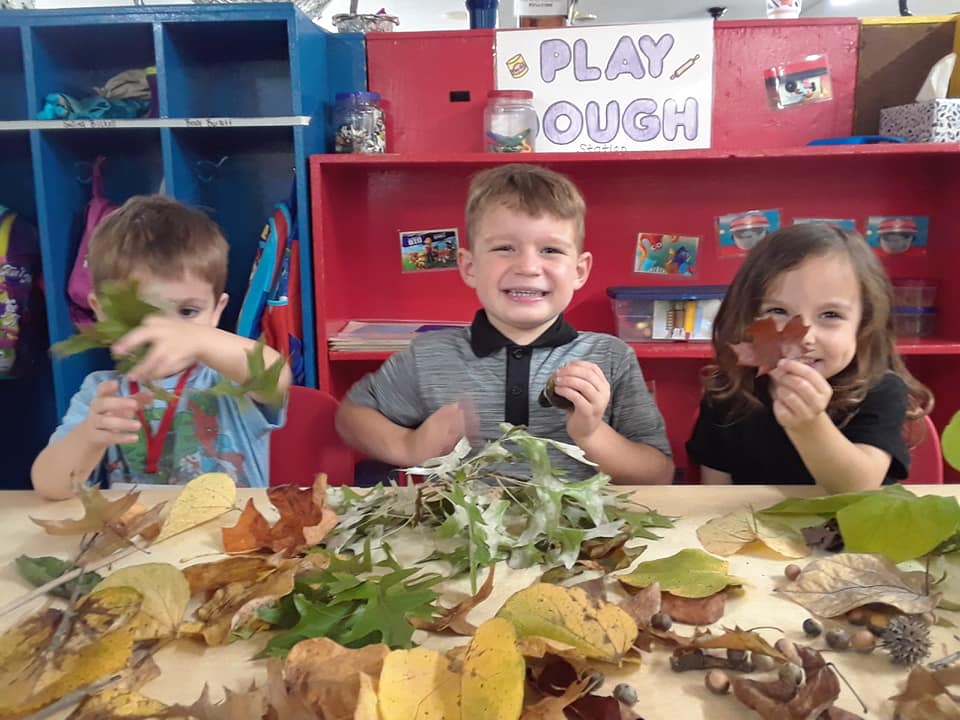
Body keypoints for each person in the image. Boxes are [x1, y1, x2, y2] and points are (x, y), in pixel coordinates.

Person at [336, 164, 673, 484]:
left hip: (578, 525)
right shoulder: (428, 355)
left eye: (550, 250)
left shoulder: (610, 357)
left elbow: (658, 475)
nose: (528, 266)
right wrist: (409, 445)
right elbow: (351, 417)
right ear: (469, 267)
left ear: (579, 271)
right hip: (457, 523)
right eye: (504, 248)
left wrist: (591, 434)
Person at [32, 195, 292, 500]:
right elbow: (49, 486)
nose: (167, 331)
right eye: (141, 314)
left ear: (216, 311)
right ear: (101, 311)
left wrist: (198, 339)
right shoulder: (103, 394)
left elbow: (276, 376)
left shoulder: (231, 378)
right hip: (143, 529)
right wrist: (89, 436)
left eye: (187, 312)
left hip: (233, 528)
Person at [686, 223, 933, 493]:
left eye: (830, 315)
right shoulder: (727, 392)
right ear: (746, 319)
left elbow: (858, 489)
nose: (804, 337)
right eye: (778, 311)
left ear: (863, 325)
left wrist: (809, 425)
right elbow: (715, 494)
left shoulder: (880, 390)